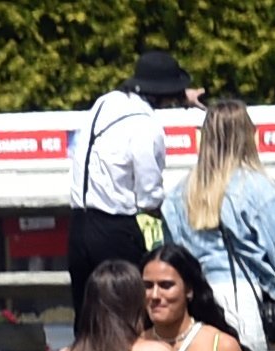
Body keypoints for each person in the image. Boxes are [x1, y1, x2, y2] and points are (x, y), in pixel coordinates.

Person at [164, 95, 275, 351]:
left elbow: (170, 259)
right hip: (244, 303)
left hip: (195, 304)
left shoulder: (177, 195)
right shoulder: (258, 189)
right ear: (246, 136)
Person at [68, 52, 192, 284]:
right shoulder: (146, 125)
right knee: (130, 311)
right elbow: (148, 195)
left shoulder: (105, 103)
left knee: (86, 314)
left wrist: (183, 97)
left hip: (78, 227)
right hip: (113, 230)